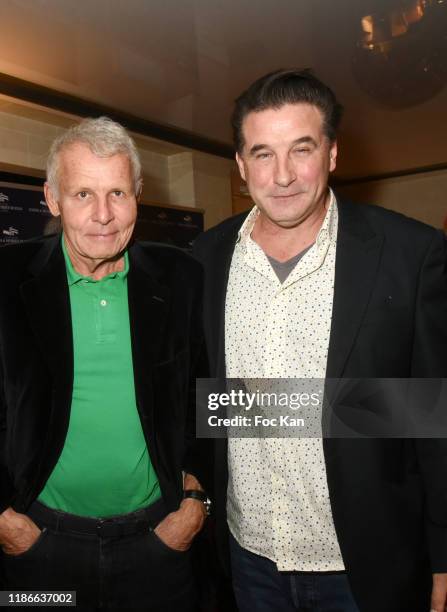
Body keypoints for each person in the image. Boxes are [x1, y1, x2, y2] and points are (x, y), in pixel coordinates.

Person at [193, 69, 447, 612]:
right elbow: (209, 401)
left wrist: (443, 555)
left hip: (365, 567)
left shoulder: (411, 255)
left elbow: (431, 418)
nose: (282, 175)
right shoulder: (204, 260)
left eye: (301, 149)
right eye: (262, 154)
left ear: (332, 153)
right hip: (247, 558)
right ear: (240, 165)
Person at [0, 116, 210, 611]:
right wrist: (5, 523)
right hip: (38, 548)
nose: (103, 215)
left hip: (159, 547)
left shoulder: (181, 278)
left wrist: (195, 501)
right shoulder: (6, 280)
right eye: (82, 195)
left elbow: (206, 391)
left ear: (139, 194)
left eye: (118, 193)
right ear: (51, 198)